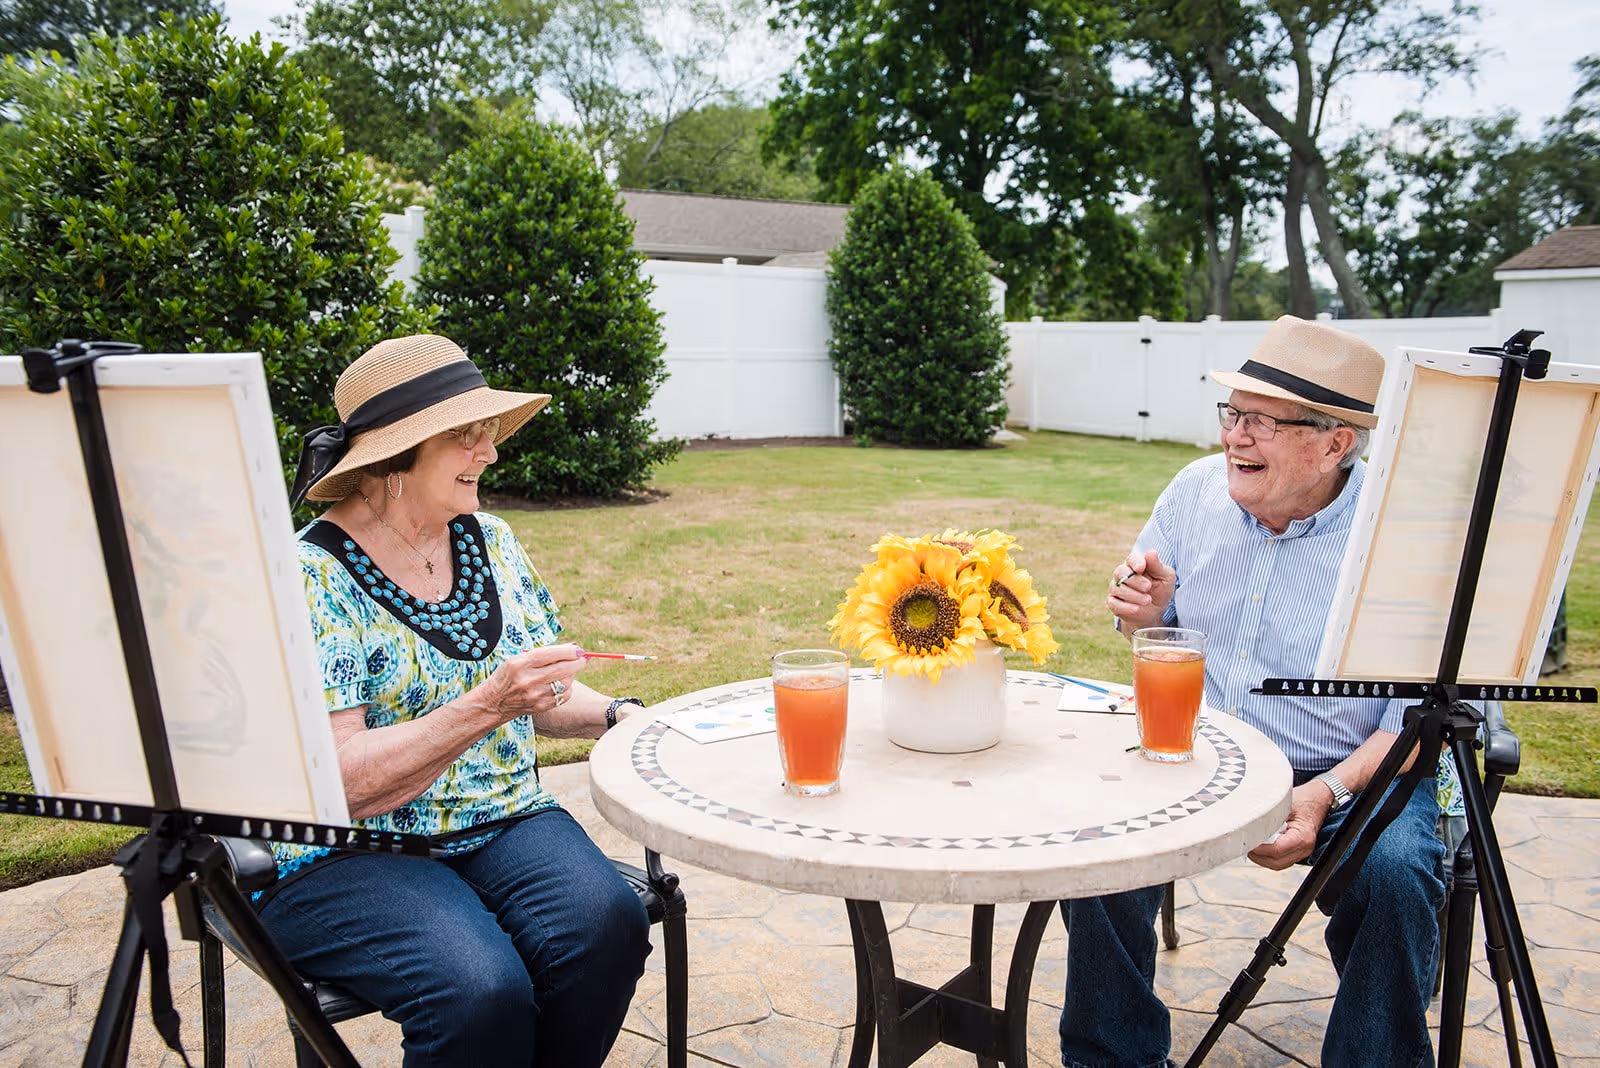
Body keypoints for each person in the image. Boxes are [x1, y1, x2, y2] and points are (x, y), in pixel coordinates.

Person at [1062, 316, 1447, 1068]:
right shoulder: (1193, 491)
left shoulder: (1398, 536)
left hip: (1349, 772)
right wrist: (1147, 613)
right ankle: (1114, 1059)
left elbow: (1414, 723)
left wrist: (1324, 794)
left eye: (1263, 422)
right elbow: (1155, 631)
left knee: (1397, 876)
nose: (1236, 437)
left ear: (1336, 442)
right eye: (1233, 414)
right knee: (1098, 841)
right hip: (1198, 751)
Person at [261, 334, 651, 1066]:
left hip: (499, 818)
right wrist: (486, 705)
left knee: (607, 925)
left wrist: (618, 714)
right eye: (467, 437)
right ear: (392, 458)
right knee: (479, 990)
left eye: (489, 434)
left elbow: (540, 691)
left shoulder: (492, 541)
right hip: (350, 850)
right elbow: (341, 781)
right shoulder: (310, 573)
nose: (491, 453)